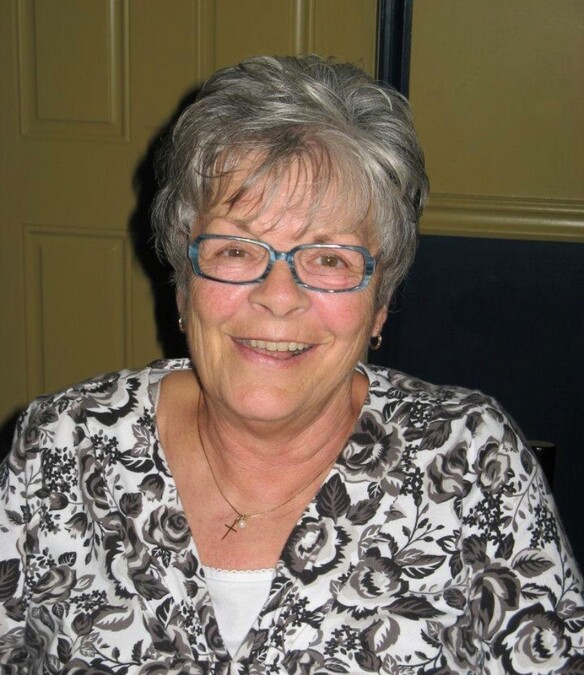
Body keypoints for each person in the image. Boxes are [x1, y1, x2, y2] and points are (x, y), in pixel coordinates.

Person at [0, 55, 582, 674]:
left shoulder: (470, 461)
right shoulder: (63, 442)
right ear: (183, 287)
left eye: (330, 259)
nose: (279, 298)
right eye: (236, 250)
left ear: (379, 304)